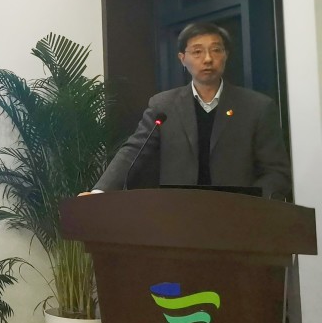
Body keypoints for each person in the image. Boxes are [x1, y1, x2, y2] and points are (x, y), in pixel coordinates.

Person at [88, 22, 292, 198]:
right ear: (182, 59)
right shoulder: (164, 106)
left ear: (226, 55)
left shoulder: (257, 107)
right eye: (197, 51)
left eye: (216, 50)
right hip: (179, 214)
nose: (208, 59)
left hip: (238, 215)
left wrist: (252, 201)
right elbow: (133, 151)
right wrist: (100, 191)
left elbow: (277, 171)